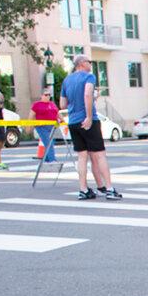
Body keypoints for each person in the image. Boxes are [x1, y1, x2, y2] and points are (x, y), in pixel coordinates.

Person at [60, 54, 120, 200]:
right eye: (89, 62)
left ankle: (83, 189)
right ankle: (110, 189)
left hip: (73, 122)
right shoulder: (89, 77)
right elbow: (87, 94)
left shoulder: (67, 80)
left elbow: (62, 105)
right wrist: (88, 115)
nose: (91, 64)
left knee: (82, 156)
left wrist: (78, 105)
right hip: (88, 121)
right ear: (81, 63)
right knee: (100, 155)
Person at [29, 89, 60, 164]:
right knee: (48, 142)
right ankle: (52, 159)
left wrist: (62, 120)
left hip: (52, 126)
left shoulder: (52, 104)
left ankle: (47, 159)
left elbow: (57, 113)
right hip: (41, 127)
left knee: (50, 142)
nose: (48, 96)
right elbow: (31, 115)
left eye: (49, 95)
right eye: (46, 95)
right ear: (42, 96)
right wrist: (29, 126)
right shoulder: (37, 104)